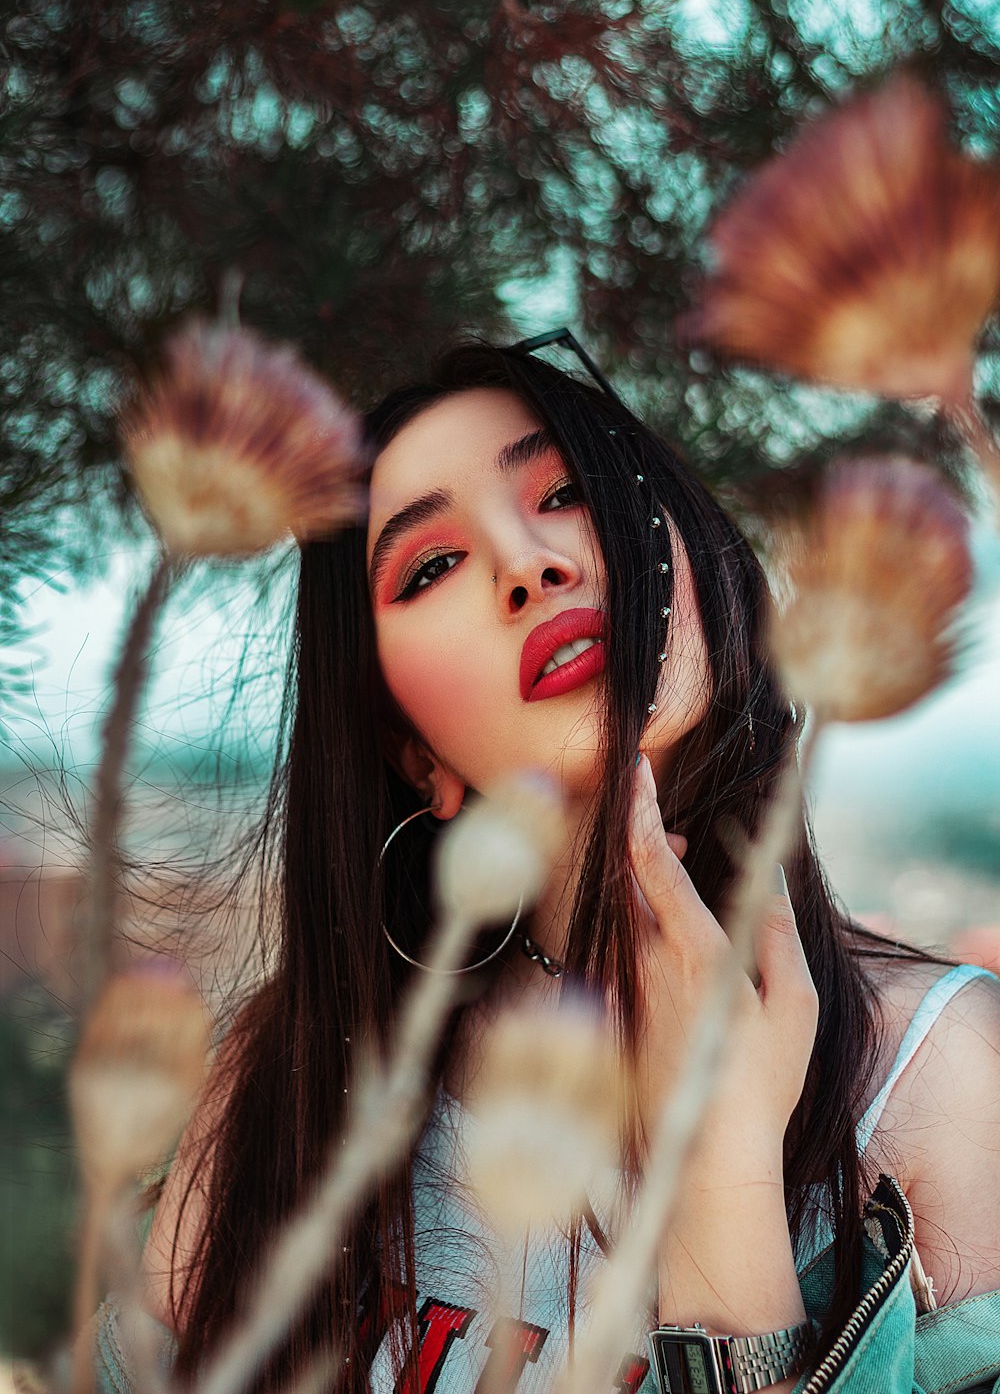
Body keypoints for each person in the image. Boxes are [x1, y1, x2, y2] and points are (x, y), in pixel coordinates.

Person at [94, 335, 1000, 1394]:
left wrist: (721, 1179)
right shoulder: (285, 1084)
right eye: (430, 566)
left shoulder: (934, 1075)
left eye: (565, 491)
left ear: (693, 554)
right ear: (411, 749)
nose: (529, 563)